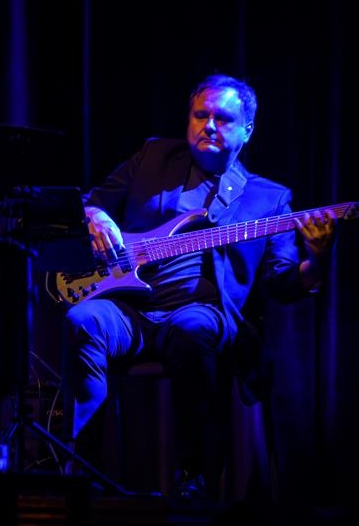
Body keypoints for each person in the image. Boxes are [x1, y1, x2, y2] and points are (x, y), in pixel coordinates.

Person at [64, 73, 336, 499]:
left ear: (247, 130)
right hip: (130, 309)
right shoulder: (154, 157)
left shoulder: (268, 199)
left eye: (222, 119)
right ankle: (83, 470)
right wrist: (94, 215)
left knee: (191, 329)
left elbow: (281, 283)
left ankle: (193, 477)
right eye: (200, 115)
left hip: (203, 311)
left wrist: (317, 260)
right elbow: (90, 201)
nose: (208, 125)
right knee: (83, 319)